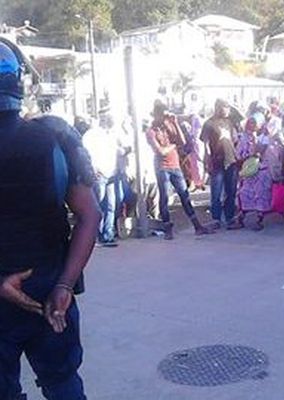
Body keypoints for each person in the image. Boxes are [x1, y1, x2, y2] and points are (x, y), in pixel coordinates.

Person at [0, 38, 100, 400]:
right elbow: (90, 216)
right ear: (19, 84)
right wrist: (63, 285)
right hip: (51, 293)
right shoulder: (56, 138)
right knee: (63, 385)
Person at [146, 100, 212, 239]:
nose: (164, 118)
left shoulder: (168, 126)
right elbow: (160, 151)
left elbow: (182, 141)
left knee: (184, 194)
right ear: (156, 115)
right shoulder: (151, 131)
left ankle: (196, 225)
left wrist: (175, 123)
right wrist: (173, 146)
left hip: (175, 165)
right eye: (162, 116)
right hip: (162, 167)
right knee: (164, 197)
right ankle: (167, 228)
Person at [201, 99, 243, 230]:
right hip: (217, 161)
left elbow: (235, 139)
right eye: (226, 107)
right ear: (218, 107)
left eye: (228, 108)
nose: (228, 110)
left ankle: (230, 218)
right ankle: (216, 219)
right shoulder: (209, 124)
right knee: (216, 193)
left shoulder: (230, 122)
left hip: (231, 161)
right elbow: (206, 143)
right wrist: (207, 159)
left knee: (231, 191)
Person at [82, 106, 120, 247]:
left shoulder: (111, 134)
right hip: (99, 174)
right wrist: (93, 168)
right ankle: (96, 235)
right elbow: (85, 153)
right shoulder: (92, 135)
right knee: (98, 205)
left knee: (111, 205)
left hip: (111, 173)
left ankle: (108, 235)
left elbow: (115, 151)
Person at [236, 113, 273, 230]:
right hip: (248, 171)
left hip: (261, 171)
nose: (251, 125)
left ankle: (259, 218)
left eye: (254, 123)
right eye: (250, 122)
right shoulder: (243, 137)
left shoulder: (265, 137)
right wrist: (247, 156)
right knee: (245, 193)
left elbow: (265, 152)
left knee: (260, 194)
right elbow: (238, 154)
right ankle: (242, 217)